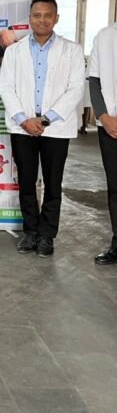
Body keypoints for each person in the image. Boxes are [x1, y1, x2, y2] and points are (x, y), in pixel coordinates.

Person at [0, 0, 84, 257]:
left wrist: (45, 119)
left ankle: (47, 235)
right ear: (30, 19)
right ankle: (30, 232)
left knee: (53, 183)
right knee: (26, 182)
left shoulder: (72, 50)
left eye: (48, 15)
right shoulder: (14, 51)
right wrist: (24, 119)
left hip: (55, 128)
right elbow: (6, 88)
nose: (42, 20)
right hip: (22, 126)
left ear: (56, 18)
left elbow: (75, 89)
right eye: (37, 15)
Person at [88, 22, 117, 264]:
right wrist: (103, 116)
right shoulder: (105, 36)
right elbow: (94, 80)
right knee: (115, 187)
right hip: (111, 126)